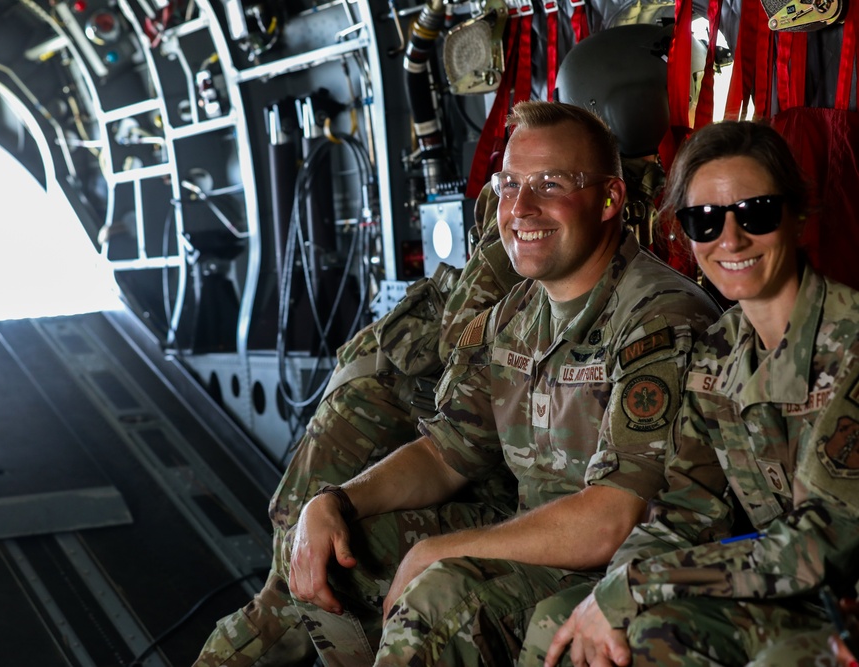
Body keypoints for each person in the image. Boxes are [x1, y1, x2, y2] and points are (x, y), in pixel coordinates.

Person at [283, 100, 720, 667]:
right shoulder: (518, 312)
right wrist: (334, 500)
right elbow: (449, 453)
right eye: (509, 184)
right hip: (539, 548)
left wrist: (438, 551)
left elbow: (614, 517)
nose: (521, 207)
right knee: (340, 548)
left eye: (550, 184)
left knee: (440, 594)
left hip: (624, 569)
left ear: (610, 199)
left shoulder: (659, 316)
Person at [525, 120, 859, 667]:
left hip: (832, 597)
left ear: (797, 218)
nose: (730, 240)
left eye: (756, 213)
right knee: (563, 629)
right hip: (789, 593)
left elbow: (816, 547)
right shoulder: (719, 352)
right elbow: (687, 508)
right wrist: (608, 594)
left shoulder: (849, 347)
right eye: (705, 220)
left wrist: (636, 586)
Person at [193, 173, 524, 667]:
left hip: (411, 402)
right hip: (393, 402)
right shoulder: (516, 231)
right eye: (516, 184)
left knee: (306, 575)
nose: (528, 201)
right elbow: (459, 379)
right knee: (300, 567)